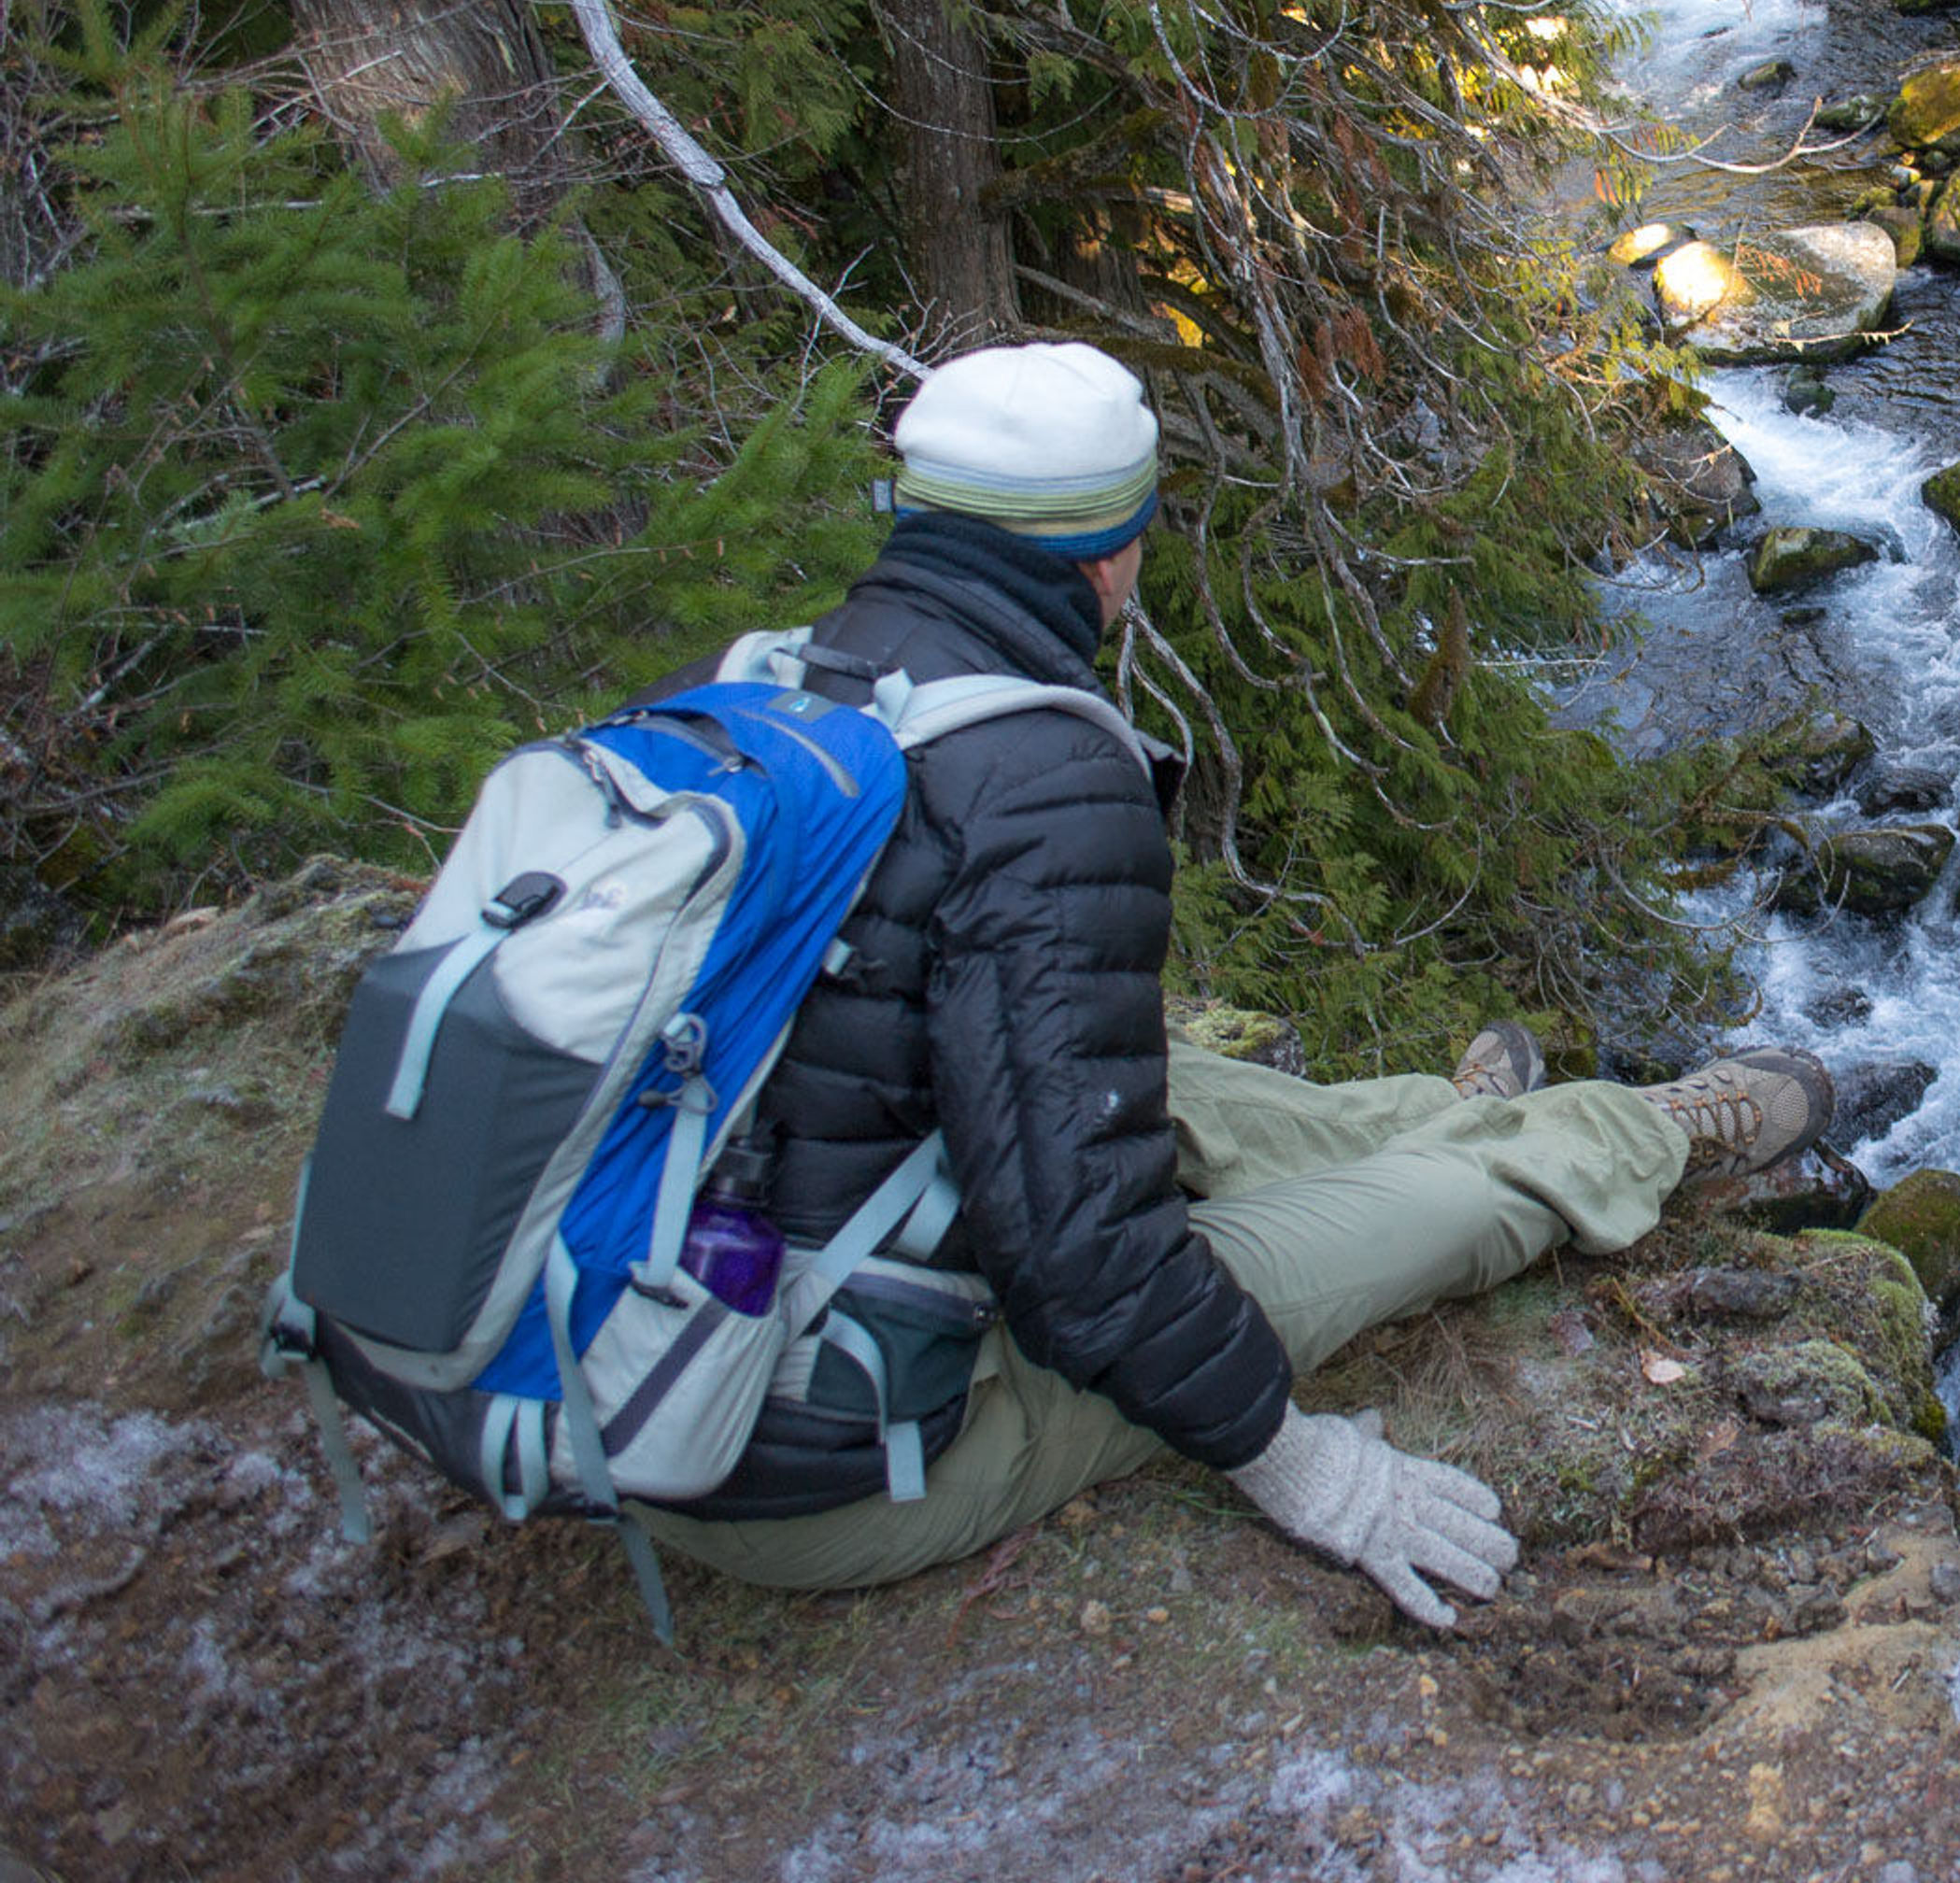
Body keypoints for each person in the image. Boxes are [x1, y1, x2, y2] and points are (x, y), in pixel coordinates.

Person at [635, 341, 1832, 1629]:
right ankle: (1623, 1136)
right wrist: (1302, 1465)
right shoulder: (1042, 784)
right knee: (1453, 1206)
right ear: (1107, 556)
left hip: (642, 1356)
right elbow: (1083, 1268)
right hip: (822, 1463)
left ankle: (1448, 1103)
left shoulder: (747, 693)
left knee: (1166, 1088)